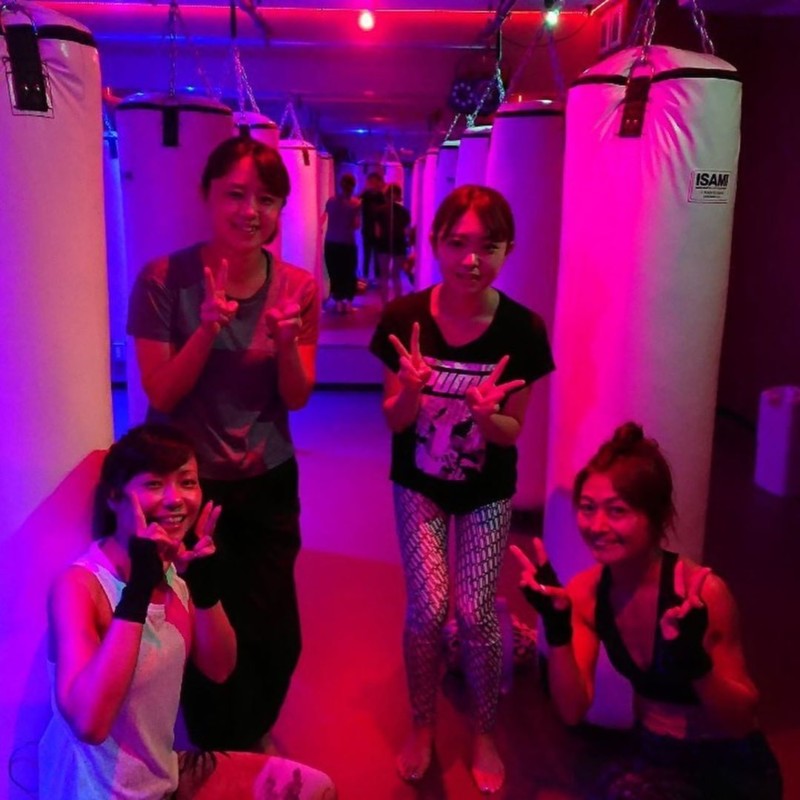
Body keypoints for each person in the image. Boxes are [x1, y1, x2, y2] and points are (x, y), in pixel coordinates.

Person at [127, 134, 319, 753]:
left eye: (266, 199)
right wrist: (207, 329)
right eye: (235, 195)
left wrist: (286, 343)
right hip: (188, 484)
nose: (250, 211)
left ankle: (253, 729)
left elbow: (296, 396)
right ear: (206, 195)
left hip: (267, 478)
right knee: (195, 614)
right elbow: (161, 389)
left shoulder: (298, 287)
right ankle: (211, 742)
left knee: (274, 628)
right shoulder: (164, 279)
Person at [369, 185, 555, 793]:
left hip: (486, 490)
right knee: (427, 609)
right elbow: (395, 421)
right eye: (457, 243)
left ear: (508, 250)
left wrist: (484, 416)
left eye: (488, 246)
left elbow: (512, 432)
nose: (471, 260)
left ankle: (484, 730)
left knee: (476, 613)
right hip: (418, 485)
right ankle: (422, 724)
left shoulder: (523, 330)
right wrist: (411, 390)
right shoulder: (404, 321)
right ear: (435, 244)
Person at [38, 425, 336, 800]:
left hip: (160, 783)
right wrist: (139, 589)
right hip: (91, 792)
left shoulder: (174, 574)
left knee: (317, 789)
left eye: (187, 482)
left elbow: (220, 668)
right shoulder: (81, 587)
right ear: (115, 497)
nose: (176, 499)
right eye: (154, 484)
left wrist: (206, 586)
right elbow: (89, 724)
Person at [512, 422, 783, 800]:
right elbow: (572, 710)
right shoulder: (586, 594)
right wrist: (556, 626)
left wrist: (695, 662)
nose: (597, 526)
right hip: (655, 756)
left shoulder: (702, 593)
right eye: (587, 508)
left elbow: (740, 722)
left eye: (617, 511)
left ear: (655, 518)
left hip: (728, 763)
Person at [322, 173, 361, 314]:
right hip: (347, 242)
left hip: (331, 241)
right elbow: (356, 225)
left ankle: (338, 303)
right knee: (349, 272)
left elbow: (324, 218)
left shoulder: (331, 201)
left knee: (335, 272)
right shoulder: (356, 204)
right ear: (353, 186)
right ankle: (349, 303)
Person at [374, 182, 411, 306]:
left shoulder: (379, 211)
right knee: (396, 275)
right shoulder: (404, 212)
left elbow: (377, 232)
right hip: (399, 244)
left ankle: (385, 304)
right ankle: (398, 304)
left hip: (383, 244)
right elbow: (406, 232)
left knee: (384, 275)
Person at [359, 171, 385, 284]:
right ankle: (365, 277)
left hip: (378, 230)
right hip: (367, 229)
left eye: (375, 181)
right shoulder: (366, 195)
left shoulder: (381, 196)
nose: (373, 184)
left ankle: (377, 278)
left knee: (377, 255)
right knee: (367, 254)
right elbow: (357, 200)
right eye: (371, 181)